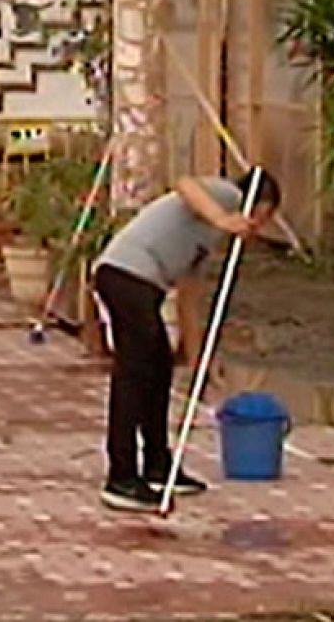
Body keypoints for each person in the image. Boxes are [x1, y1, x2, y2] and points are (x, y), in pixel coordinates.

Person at [93, 169, 281, 513]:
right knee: (135, 374)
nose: (256, 228)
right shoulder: (226, 196)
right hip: (125, 275)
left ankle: (157, 464)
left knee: (160, 368)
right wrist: (224, 218)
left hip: (143, 285)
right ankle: (121, 476)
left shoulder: (205, 239)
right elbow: (184, 184)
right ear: (257, 203)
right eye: (261, 217)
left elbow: (188, 301)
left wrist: (199, 362)